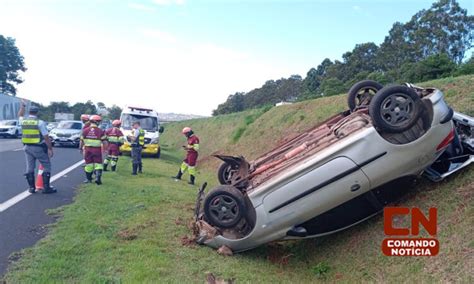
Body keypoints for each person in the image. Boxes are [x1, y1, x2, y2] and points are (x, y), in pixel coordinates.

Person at [18, 100, 56, 194]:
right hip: (38, 147)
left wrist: (23, 105)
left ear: (29, 112)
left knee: (30, 167)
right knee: (47, 166)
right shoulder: (40, 122)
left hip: (27, 147)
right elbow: (46, 137)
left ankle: (31, 188)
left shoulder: (23, 121)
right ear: (37, 112)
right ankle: (46, 188)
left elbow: (20, 115)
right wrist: (50, 149)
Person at [79, 115, 107, 185]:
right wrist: (105, 149)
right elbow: (105, 142)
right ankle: (98, 178)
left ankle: (88, 179)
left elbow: (81, 141)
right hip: (97, 150)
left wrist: (80, 148)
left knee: (88, 164)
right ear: (97, 122)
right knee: (98, 164)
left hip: (87, 149)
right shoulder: (100, 131)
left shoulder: (85, 130)